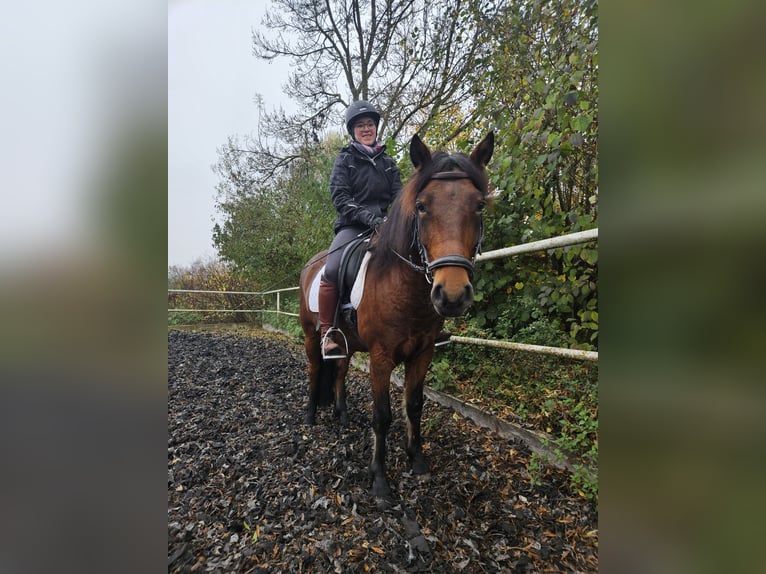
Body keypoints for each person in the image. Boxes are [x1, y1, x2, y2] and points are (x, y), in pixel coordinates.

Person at [318, 100, 403, 359]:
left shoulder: (388, 163)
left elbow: (399, 196)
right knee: (331, 268)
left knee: (417, 255)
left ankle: (426, 326)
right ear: (352, 130)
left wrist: (398, 218)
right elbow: (340, 197)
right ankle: (327, 333)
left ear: (376, 128)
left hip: (385, 226)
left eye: (370, 124)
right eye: (360, 125)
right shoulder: (345, 160)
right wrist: (369, 217)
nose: (366, 129)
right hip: (353, 226)